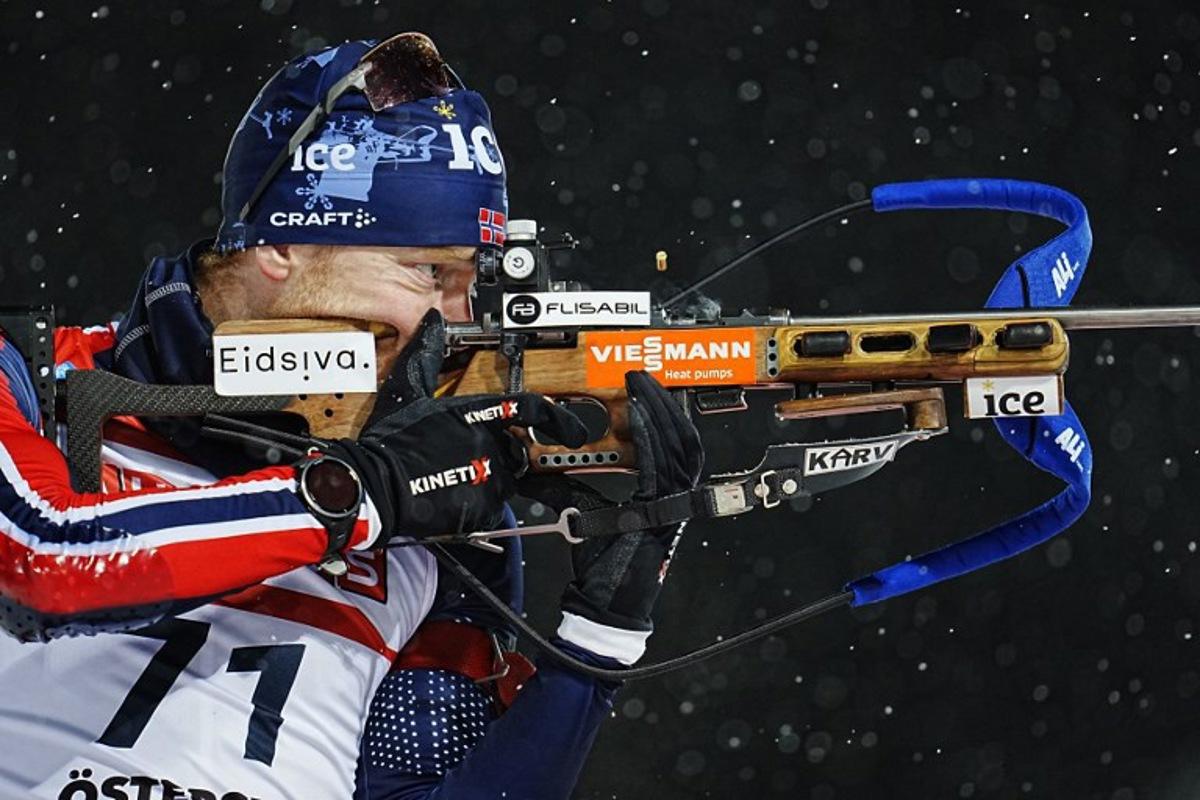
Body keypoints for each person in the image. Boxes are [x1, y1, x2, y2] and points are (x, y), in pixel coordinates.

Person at [0, 34, 702, 800]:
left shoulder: (440, 505)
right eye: (429, 272)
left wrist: (596, 642)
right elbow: (46, 559)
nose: (454, 323)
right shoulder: (29, 378)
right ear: (283, 246)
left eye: (470, 284)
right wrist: (362, 493)